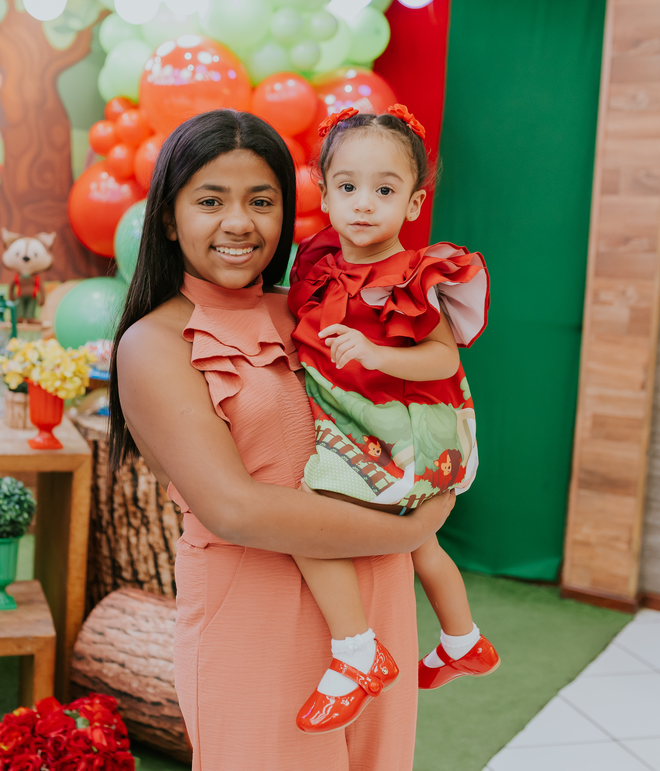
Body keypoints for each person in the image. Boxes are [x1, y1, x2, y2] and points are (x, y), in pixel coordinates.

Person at [109, 109, 455, 770]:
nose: (239, 223)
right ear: (168, 218)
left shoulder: (311, 306)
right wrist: (412, 528)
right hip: (257, 615)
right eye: (211, 201)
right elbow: (235, 508)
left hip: (379, 600)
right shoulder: (154, 344)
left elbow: (414, 402)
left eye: (261, 201)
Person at [287, 105, 499, 734]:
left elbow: (442, 358)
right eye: (348, 187)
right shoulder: (324, 266)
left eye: (384, 190)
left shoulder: (409, 275)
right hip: (374, 423)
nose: (363, 204)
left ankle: (356, 651)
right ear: (324, 194)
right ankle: (463, 640)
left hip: (404, 431)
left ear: (413, 203)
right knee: (422, 543)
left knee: (307, 523)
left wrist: (379, 354)